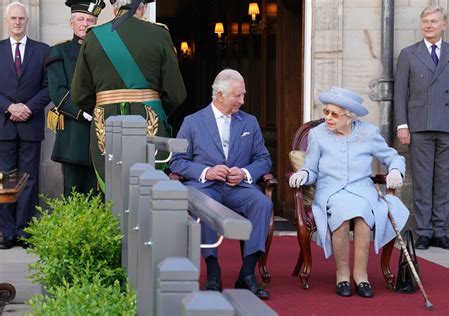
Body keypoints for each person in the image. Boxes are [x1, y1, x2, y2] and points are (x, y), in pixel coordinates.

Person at [289, 87, 409, 298]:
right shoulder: (317, 134)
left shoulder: (368, 133)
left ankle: (361, 276)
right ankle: (342, 274)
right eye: (326, 111)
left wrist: (397, 170)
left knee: (363, 215)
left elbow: (393, 157)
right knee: (342, 215)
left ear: (349, 117)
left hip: (362, 190)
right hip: (331, 191)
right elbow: (312, 168)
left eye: (334, 114)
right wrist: (304, 175)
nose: (328, 117)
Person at [169, 69, 272, 300]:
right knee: (206, 205)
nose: (242, 101)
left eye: (242, 95)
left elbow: (264, 159)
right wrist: (207, 171)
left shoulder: (250, 122)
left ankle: (247, 274)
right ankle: (213, 272)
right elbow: (177, 161)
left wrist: (245, 173)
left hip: (238, 188)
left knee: (262, 204)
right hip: (205, 187)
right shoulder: (192, 122)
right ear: (219, 95)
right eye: (237, 96)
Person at [71, 0, 186, 191]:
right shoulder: (159, 34)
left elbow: (79, 94)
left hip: (105, 121)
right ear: (144, 8)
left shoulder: (94, 37)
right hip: (149, 119)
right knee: (147, 191)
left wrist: (104, 106)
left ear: (114, 8)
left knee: (113, 193)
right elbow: (175, 93)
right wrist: (153, 106)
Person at [394, 5, 449, 251]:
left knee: (445, 181)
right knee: (423, 180)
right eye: (425, 21)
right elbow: (399, 93)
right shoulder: (408, 54)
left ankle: (441, 231)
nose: (428, 25)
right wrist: (402, 125)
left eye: (433, 21)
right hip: (420, 124)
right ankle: (424, 232)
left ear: (444, 24)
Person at [0, 2, 50, 249]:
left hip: (30, 124)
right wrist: (9, 107)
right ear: (6, 21)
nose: (17, 22)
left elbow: (49, 87)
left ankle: (26, 232)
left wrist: (27, 108)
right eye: (13, 18)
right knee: (6, 180)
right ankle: (8, 233)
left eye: (21, 18)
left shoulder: (43, 51)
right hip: (4, 125)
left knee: (28, 179)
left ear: (26, 21)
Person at [47, 0, 106, 197]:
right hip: (73, 134)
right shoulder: (59, 51)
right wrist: (83, 113)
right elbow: (57, 91)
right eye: (80, 19)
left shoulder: (106, 51)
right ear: (71, 23)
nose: (85, 24)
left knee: (98, 196)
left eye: (90, 20)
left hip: (101, 134)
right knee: (72, 195)